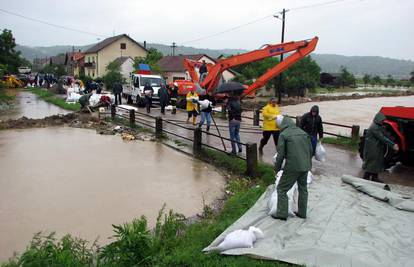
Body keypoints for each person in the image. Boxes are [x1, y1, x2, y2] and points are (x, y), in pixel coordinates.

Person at [273, 115, 313, 220]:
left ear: (282, 125)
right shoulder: (303, 133)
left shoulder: (284, 134)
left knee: (281, 189)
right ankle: (302, 213)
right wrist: (309, 164)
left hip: (292, 166)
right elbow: (310, 151)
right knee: (303, 189)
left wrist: (276, 169)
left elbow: (280, 155)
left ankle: (282, 214)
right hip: (305, 166)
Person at [362, 112, 399, 182]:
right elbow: (382, 138)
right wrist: (393, 145)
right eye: (382, 120)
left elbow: (385, 134)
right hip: (372, 149)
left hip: (377, 148)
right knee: (372, 163)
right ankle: (365, 178)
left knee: (377, 162)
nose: (383, 121)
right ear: (378, 119)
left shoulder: (378, 126)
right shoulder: (374, 128)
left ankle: (374, 177)